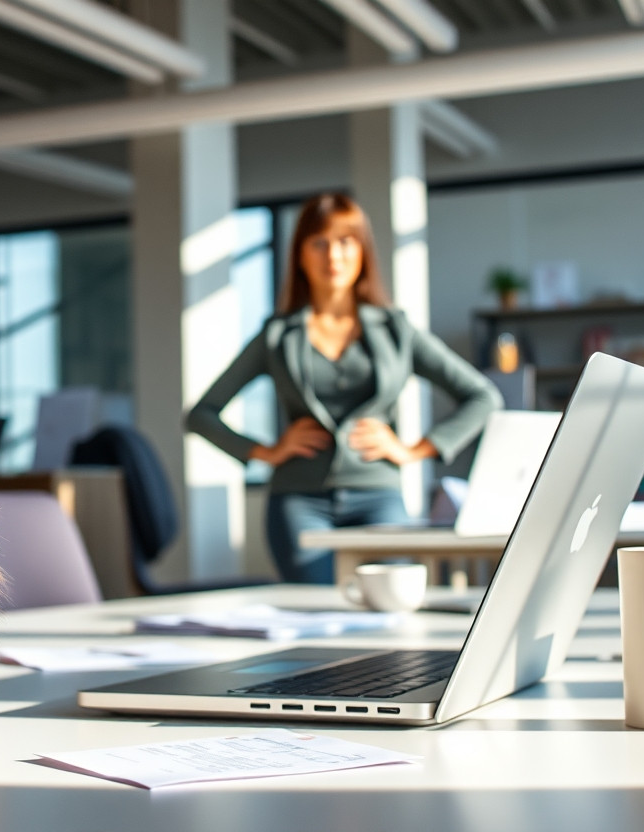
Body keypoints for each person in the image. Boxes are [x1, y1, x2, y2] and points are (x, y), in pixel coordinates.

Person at [186, 193, 502, 583]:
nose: (332, 256)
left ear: (362, 251)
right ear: (300, 254)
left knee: (392, 602)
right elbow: (200, 415)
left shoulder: (395, 331)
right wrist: (266, 451)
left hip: (378, 495)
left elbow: (483, 396)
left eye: (345, 241)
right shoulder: (277, 336)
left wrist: (412, 450)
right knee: (315, 613)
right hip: (298, 500)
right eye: (319, 243)